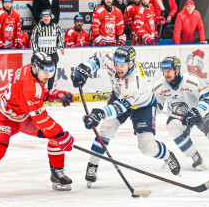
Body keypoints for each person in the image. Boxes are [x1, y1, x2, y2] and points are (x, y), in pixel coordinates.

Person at [0, 52, 75, 200]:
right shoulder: (30, 85)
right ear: (36, 68)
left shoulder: (29, 70)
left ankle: (57, 174)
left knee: (55, 136)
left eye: (51, 71)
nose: (47, 76)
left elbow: (35, 96)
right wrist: (61, 134)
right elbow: (41, 119)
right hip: (4, 118)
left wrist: (52, 94)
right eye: (45, 71)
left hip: (24, 117)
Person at [71, 46, 181, 187]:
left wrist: (100, 113)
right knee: (106, 130)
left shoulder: (134, 81)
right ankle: (93, 165)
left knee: (147, 147)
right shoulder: (113, 59)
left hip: (143, 106)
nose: (118, 68)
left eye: (122, 65)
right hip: (119, 96)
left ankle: (167, 156)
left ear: (131, 63)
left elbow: (121, 107)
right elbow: (97, 58)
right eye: (116, 64)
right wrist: (86, 68)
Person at [153, 56, 209, 170]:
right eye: (164, 71)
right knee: (172, 126)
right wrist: (149, 110)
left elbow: (208, 98)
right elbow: (157, 105)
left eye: (169, 71)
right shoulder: (159, 86)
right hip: (179, 117)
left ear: (177, 70)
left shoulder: (191, 80)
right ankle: (195, 156)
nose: (166, 74)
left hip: (199, 112)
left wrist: (198, 111)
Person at [31, 9, 64, 93]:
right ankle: (40, 92)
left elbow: (60, 39)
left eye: (47, 16)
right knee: (40, 75)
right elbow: (33, 41)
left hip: (52, 55)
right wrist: (35, 53)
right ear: (41, 17)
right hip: (41, 56)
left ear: (50, 17)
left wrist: (61, 47)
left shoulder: (56, 27)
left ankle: (50, 93)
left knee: (51, 75)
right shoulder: (37, 28)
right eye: (44, 16)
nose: (46, 18)